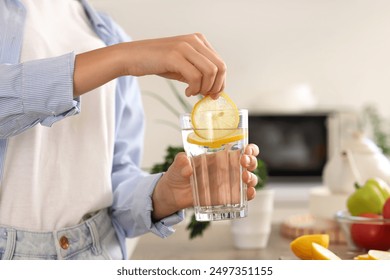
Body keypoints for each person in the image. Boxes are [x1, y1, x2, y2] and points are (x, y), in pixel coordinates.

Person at [0, 0, 259, 260]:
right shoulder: (119, 50)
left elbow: (114, 180)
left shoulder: (105, 32)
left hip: (97, 253)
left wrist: (166, 195)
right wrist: (122, 58)